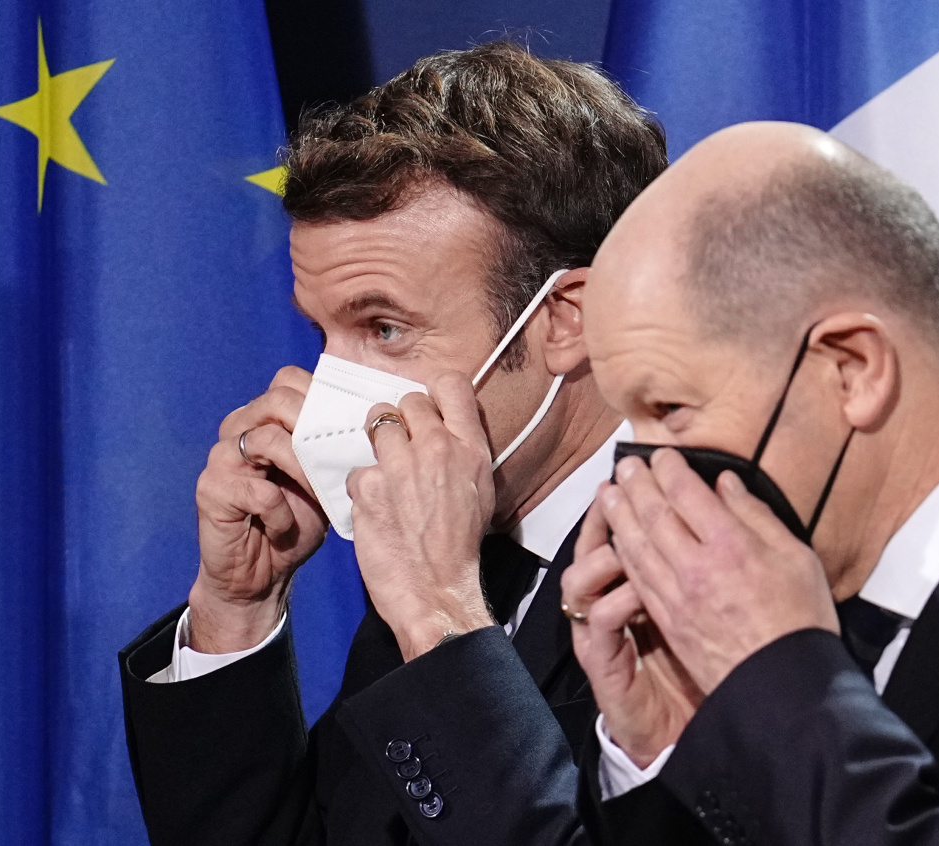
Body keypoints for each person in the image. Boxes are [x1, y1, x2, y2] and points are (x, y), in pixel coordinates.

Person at [118, 41, 667, 846]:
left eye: (384, 328)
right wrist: (237, 608)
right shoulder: (445, 549)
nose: (331, 388)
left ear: (565, 322)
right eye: (323, 335)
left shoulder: (707, 574)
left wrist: (441, 615)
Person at [562, 121, 939, 845]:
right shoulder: (794, 612)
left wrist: (779, 678)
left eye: (670, 410)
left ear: (853, 371)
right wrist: (666, 745)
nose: (635, 477)